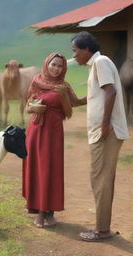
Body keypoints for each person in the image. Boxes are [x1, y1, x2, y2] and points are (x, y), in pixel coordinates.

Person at [71, 31, 129, 241]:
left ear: (87, 49)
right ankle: (102, 227)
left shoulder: (100, 62)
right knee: (102, 179)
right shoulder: (98, 64)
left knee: (101, 179)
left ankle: (102, 230)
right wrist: (78, 102)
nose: (74, 55)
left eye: (75, 50)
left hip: (107, 132)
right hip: (106, 131)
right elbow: (101, 93)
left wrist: (104, 125)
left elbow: (111, 92)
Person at [22, 52, 86, 228]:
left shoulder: (64, 86)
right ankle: (40, 213)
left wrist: (95, 95)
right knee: (39, 167)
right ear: (46, 64)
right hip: (36, 129)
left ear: (64, 68)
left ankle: (50, 212)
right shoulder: (36, 81)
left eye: (60, 66)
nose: (56, 69)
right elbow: (28, 104)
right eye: (53, 65)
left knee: (52, 168)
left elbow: (75, 102)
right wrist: (34, 107)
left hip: (54, 132)